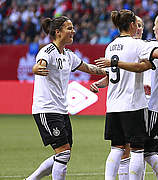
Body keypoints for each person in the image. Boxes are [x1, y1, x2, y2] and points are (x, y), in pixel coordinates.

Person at [93, 9, 158, 180]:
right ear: (132, 25)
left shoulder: (111, 47)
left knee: (141, 152)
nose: (152, 29)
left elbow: (144, 65)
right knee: (148, 151)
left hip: (151, 107)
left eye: (156, 26)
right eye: (139, 25)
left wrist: (114, 62)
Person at [25, 16, 107, 180]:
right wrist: (37, 68)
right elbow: (39, 64)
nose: (73, 31)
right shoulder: (47, 51)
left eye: (73, 28)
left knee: (64, 154)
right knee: (63, 152)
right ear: (58, 32)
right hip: (46, 109)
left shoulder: (68, 55)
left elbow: (88, 68)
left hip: (62, 110)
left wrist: (108, 71)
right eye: (69, 28)